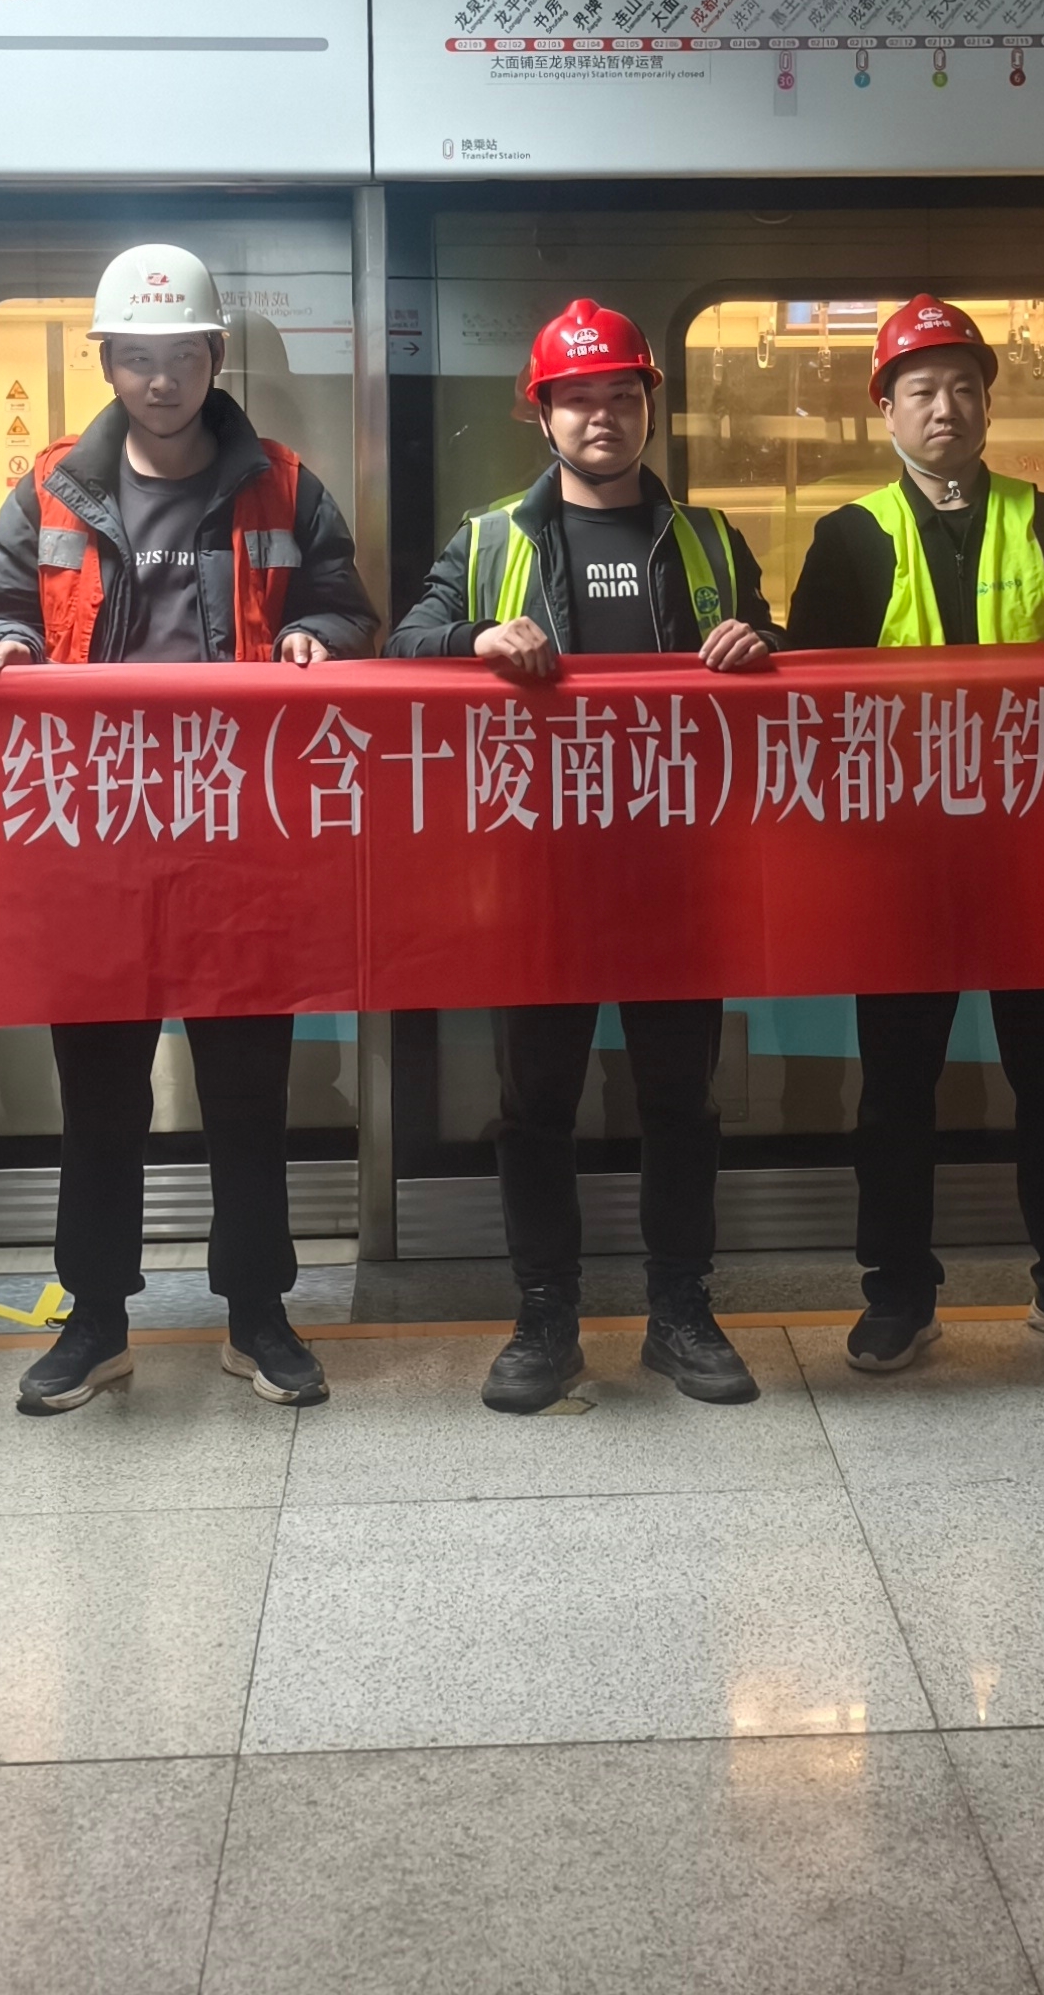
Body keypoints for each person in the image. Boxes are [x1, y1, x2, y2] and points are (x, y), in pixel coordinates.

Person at [0, 243, 379, 1417]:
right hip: (92, 841)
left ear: (215, 358)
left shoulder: (286, 488)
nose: (160, 381)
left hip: (239, 840)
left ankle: (257, 1314)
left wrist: (319, 639)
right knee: (99, 1095)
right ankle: (96, 1320)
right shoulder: (48, 487)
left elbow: (345, 607)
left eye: (181, 358)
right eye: (137, 358)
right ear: (105, 361)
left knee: (248, 1091)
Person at [386, 297, 782, 1414]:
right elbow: (404, 643)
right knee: (537, 1103)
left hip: (677, 869)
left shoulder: (708, 539)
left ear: (650, 405)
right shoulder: (488, 541)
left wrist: (759, 642)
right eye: (577, 399)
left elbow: (775, 651)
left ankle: (680, 1312)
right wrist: (474, 637)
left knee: (679, 1101)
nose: (601, 416)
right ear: (542, 415)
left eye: (621, 395)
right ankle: (544, 1318)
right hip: (538, 876)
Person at [782, 294, 1044, 1375]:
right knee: (897, 1088)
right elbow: (813, 710)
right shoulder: (848, 538)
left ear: (989, 404)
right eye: (921, 391)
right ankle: (898, 1294)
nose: (943, 408)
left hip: (1036, 860)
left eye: (961, 388)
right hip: (901, 868)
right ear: (885, 411)